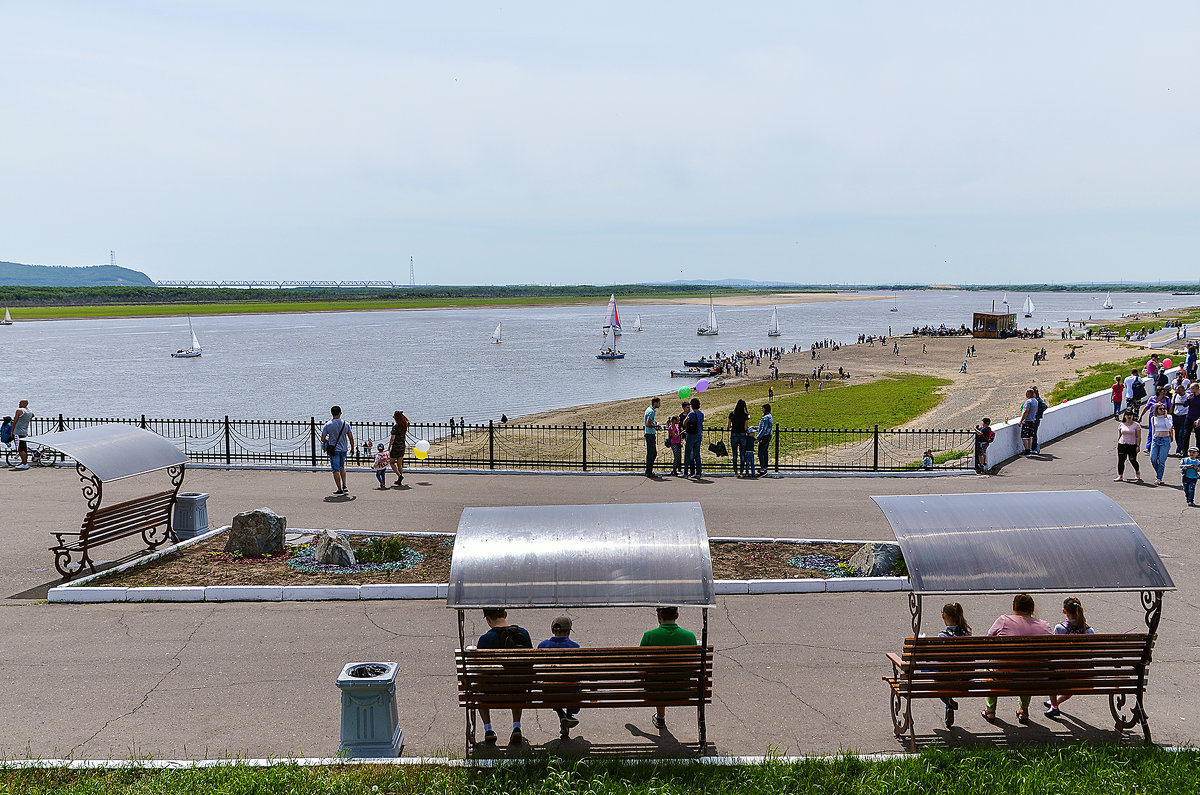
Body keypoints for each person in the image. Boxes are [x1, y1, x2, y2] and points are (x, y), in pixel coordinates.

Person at [981, 594, 1052, 724]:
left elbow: (988, 639)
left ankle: (990, 710)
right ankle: (1023, 710)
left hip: (1005, 675)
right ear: (1032, 608)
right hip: (1036, 676)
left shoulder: (1003, 620)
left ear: (1013, 607)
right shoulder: (1044, 626)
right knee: (1029, 665)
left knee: (990, 665)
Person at [475, 609, 532, 744]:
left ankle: (488, 729)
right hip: (519, 689)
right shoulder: (523, 633)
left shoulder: (485, 639)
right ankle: (516, 726)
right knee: (517, 681)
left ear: (488, 619)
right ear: (505, 614)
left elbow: (480, 671)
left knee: (478, 687)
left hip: (491, 692)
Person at [639, 606, 698, 730]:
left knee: (658, 678)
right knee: (665, 676)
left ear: (659, 616)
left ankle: (660, 717)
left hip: (654, 689)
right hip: (682, 688)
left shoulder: (649, 636)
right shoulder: (690, 636)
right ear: (677, 616)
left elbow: (641, 664)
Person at [1044, 597, 1095, 717]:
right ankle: (1054, 704)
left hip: (1063, 671)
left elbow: (1053, 650)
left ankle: (1054, 705)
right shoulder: (1090, 630)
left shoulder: (1059, 628)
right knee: (1072, 684)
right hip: (1082, 673)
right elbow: (1091, 652)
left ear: (1064, 611)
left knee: (1050, 673)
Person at [538, 616, 581, 733]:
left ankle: (562, 715)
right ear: (568, 631)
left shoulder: (542, 646)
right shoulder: (575, 647)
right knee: (574, 684)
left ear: (553, 631)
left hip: (549, 691)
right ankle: (568, 716)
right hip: (571, 691)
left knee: (551, 685)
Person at [939, 602, 971, 727]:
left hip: (948, 677)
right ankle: (948, 705)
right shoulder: (968, 634)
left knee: (930, 674)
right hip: (965, 677)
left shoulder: (942, 636)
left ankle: (948, 701)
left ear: (943, 616)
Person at [320, 406, 355, 494]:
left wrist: (328, 441)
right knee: (342, 467)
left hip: (334, 449)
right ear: (340, 413)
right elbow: (351, 437)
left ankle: (339, 489)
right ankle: (344, 484)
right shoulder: (346, 424)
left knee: (335, 469)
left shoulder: (328, 425)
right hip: (344, 449)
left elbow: (323, 438)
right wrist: (352, 448)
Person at [1147, 402, 1175, 485]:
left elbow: (1169, 426)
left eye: (1164, 409)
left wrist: (1165, 417)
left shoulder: (1169, 417)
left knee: (1162, 460)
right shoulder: (1153, 418)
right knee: (1153, 459)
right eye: (1161, 409)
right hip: (1156, 439)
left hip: (1165, 439)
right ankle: (1159, 472)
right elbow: (1153, 430)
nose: (1163, 410)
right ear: (1157, 410)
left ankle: (1159, 477)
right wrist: (1151, 442)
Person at [1115, 409, 1143, 483]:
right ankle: (1120, 475)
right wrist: (1118, 443)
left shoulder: (1136, 425)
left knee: (1132, 459)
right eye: (1127, 415)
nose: (1129, 416)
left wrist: (1138, 446)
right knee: (1121, 460)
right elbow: (1120, 435)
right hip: (1122, 444)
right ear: (1125, 416)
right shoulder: (1121, 424)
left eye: (1130, 414)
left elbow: (1138, 436)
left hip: (1132, 445)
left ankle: (1137, 471)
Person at [727, 399, 751, 477]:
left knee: (734, 454)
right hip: (742, 435)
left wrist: (732, 426)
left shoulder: (732, 414)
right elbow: (745, 427)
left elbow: (728, 425)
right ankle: (741, 471)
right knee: (742, 454)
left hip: (734, 434)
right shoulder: (745, 415)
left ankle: (735, 471)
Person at [387, 410, 410, 487]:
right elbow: (404, 437)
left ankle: (399, 476)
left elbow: (392, 438)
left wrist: (389, 447)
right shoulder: (404, 426)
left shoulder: (395, 427)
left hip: (396, 447)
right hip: (402, 446)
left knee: (392, 463)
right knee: (399, 464)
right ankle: (399, 479)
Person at [683, 398, 704, 479]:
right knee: (697, 454)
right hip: (699, 434)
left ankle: (685, 473)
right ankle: (698, 472)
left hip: (691, 435)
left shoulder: (691, 413)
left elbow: (685, 423)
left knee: (687, 453)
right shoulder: (701, 414)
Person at [10, 399, 33, 470]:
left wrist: (12, 431)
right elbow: (33, 415)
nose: (19, 404)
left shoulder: (19, 410)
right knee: (23, 448)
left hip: (18, 432)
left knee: (20, 449)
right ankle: (24, 462)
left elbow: (14, 421)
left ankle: (24, 463)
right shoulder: (29, 411)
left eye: (20, 403)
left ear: (24, 403)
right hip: (24, 432)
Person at [644, 397, 661, 478]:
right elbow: (648, 424)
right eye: (659, 403)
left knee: (651, 453)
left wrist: (655, 424)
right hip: (650, 434)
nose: (660, 404)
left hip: (649, 434)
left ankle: (648, 470)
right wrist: (656, 425)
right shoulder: (651, 412)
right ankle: (648, 471)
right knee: (652, 453)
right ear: (655, 403)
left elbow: (650, 422)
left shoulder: (649, 410)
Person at [754, 404, 773, 477]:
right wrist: (756, 427)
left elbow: (763, 429)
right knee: (765, 452)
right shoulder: (770, 416)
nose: (762, 409)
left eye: (762, 408)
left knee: (760, 453)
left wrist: (758, 438)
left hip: (764, 437)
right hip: (768, 436)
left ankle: (763, 468)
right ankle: (765, 467)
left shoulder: (765, 418)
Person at [1019, 389, 1038, 456]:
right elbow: (1036, 410)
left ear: (1029, 394)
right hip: (1033, 420)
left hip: (1027, 421)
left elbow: (1026, 411)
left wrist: (1021, 421)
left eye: (1027, 394)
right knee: (1030, 437)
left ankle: (1027, 451)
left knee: (1025, 437)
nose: (1026, 395)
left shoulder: (1028, 402)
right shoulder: (1035, 401)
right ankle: (1029, 450)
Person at [1030, 387, 1048, 454]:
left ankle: (1034, 447)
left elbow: (1045, 406)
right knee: (1033, 433)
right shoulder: (1036, 399)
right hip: (1036, 418)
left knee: (1033, 433)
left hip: (1036, 419)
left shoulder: (1037, 400)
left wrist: (1036, 412)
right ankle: (1034, 446)